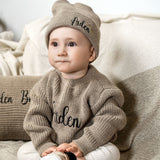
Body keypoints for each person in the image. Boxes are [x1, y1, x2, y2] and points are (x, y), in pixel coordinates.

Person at [17, 0, 127, 160]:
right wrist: (45, 146)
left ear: (91, 53)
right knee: (24, 151)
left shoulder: (100, 87)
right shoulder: (46, 84)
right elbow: (35, 117)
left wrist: (82, 145)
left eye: (71, 44)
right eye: (54, 44)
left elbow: (110, 118)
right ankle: (54, 157)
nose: (61, 51)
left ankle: (70, 158)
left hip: (87, 147)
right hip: (54, 144)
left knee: (111, 152)